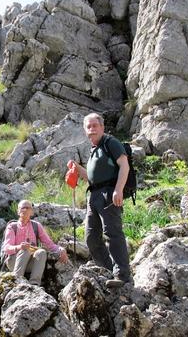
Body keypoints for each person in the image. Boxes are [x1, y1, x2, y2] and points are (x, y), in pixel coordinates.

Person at [68, 112, 131, 288]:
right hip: (94, 195)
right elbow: (90, 177)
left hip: (109, 193)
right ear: (85, 131)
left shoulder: (111, 143)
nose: (92, 129)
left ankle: (123, 276)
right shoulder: (94, 150)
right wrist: (76, 167)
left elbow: (124, 165)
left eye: (95, 125)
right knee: (91, 238)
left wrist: (118, 190)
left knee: (112, 233)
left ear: (102, 127)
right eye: (88, 127)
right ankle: (109, 271)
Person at [2, 199, 68, 285]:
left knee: (41, 252)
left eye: (28, 208)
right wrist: (19, 247)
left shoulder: (36, 226)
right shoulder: (12, 226)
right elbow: (6, 248)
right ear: (18, 211)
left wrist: (61, 249)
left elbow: (49, 244)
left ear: (32, 212)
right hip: (13, 262)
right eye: (22, 208)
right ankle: (17, 281)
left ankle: (34, 284)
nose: (25, 210)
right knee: (25, 250)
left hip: (30, 263)